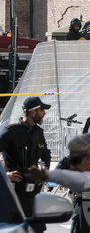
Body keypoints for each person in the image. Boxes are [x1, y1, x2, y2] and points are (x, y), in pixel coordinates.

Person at [0, 96, 52, 231]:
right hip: (15, 194)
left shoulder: (38, 132)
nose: (44, 113)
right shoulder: (10, 132)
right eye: (42, 110)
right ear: (33, 112)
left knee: (37, 230)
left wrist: (45, 168)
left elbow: (45, 153)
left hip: (35, 193)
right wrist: (6, 175)